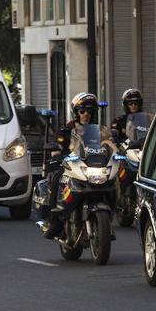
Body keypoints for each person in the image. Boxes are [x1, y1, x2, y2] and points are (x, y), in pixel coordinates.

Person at [43, 92, 113, 239]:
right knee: (56, 177)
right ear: (76, 112)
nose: (86, 114)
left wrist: (117, 153)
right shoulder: (66, 130)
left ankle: (115, 210)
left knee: (114, 177)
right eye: (82, 111)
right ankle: (54, 220)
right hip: (72, 167)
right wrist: (57, 154)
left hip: (93, 166)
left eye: (90, 111)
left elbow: (111, 146)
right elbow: (57, 148)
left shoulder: (101, 131)